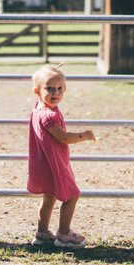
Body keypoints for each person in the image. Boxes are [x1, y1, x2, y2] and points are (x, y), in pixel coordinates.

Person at [27, 64, 96, 248]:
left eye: (59, 89)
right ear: (37, 91)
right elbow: (64, 137)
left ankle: (42, 233)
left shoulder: (38, 108)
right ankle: (64, 234)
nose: (55, 93)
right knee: (72, 195)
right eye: (49, 88)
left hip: (43, 163)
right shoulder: (48, 116)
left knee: (49, 197)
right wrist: (84, 136)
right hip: (54, 164)